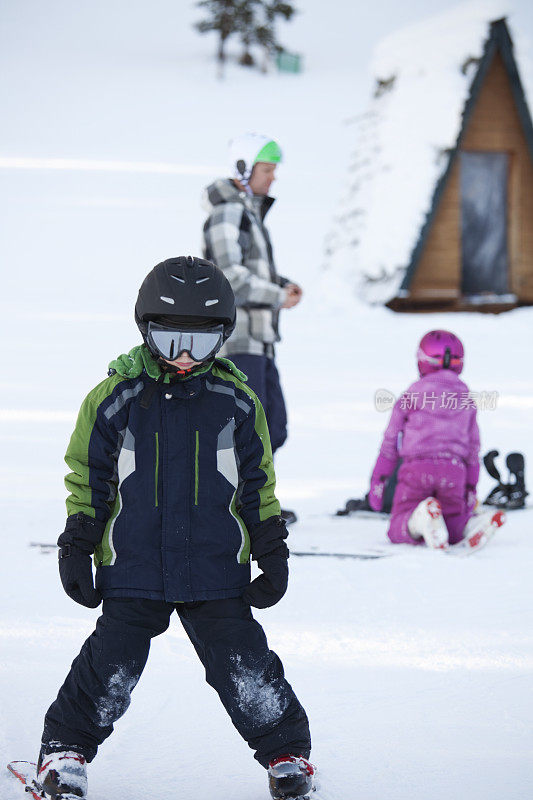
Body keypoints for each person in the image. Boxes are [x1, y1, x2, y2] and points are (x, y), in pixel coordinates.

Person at [36, 256, 314, 800]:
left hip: (215, 564)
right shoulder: (116, 398)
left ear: (222, 339)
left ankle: (286, 753)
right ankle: (64, 751)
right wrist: (77, 542)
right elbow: (88, 477)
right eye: (169, 342)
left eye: (199, 343)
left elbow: (257, 485)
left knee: (244, 662)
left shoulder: (236, 401)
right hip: (134, 563)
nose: (184, 357)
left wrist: (272, 549)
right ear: (146, 331)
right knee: (110, 663)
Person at [202, 133, 302, 523]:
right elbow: (228, 276)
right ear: (243, 170)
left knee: (272, 424)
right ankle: (242, 508)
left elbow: (252, 272)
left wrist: (284, 285)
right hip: (239, 340)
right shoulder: (228, 213)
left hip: (260, 340)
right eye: (267, 169)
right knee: (252, 429)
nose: (273, 178)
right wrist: (278, 295)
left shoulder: (249, 214)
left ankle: (250, 501)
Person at [368, 330, 505, 549]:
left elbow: (390, 443)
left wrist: (378, 481)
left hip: (416, 469)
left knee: (399, 523)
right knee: (452, 522)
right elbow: (472, 449)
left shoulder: (411, 394)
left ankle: (420, 518)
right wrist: (470, 488)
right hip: (454, 471)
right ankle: (472, 525)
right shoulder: (466, 399)